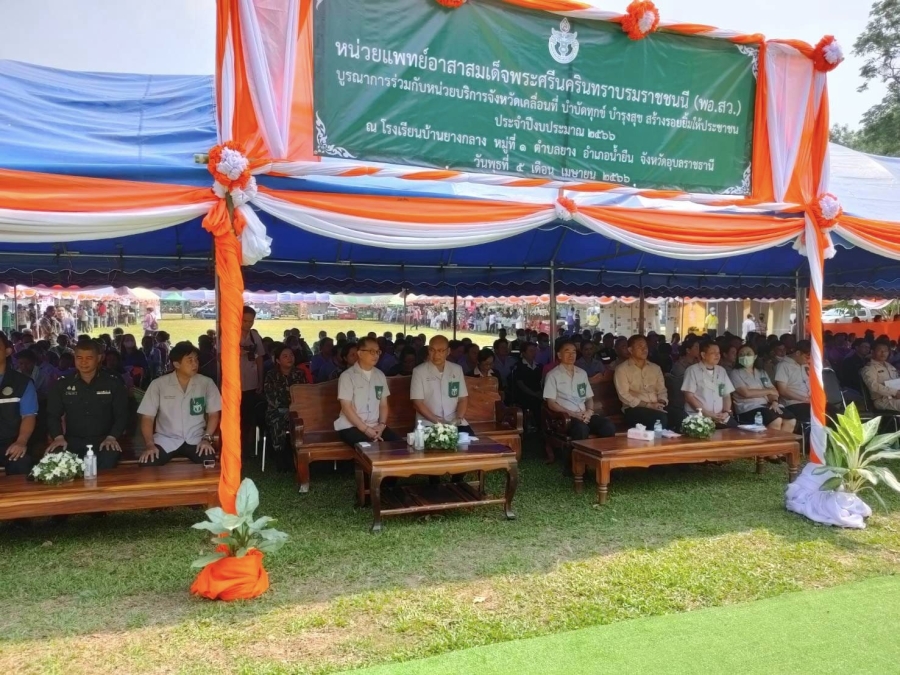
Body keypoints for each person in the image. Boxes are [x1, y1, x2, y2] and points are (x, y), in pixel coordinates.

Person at [46, 339, 128, 470]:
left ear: (99, 358)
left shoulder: (113, 383)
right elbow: (52, 414)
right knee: (56, 461)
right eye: (79, 358)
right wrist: (58, 437)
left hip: (104, 440)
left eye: (89, 358)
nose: (83, 362)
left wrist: (112, 437)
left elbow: (122, 415)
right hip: (72, 440)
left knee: (108, 458)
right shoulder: (63, 384)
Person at [137, 342, 221, 466]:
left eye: (196, 360)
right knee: (147, 462)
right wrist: (150, 445)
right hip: (166, 439)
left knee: (209, 462)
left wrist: (206, 439)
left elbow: (214, 414)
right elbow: (147, 417)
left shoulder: (206, 383)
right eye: (190, 360)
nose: (195, 364)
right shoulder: (158, 384)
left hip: (196, 439)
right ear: (176, 364)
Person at [544, 339, 616, 441]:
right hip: (566, 417)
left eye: (574, 352)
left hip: (584, 414)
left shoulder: (582, 373)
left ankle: (603, 455)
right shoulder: (552, 375)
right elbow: (551, 403)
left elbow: (589, 398)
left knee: (607, 425)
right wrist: (573, 414)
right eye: (567, 352)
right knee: (581, 429)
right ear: (559, 355)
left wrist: (589, 412)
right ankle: (578, 456)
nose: (571, 355)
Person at [334, 336, 400, 446]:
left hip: (375, 426)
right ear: (360, 353)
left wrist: (382, 425)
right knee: (369, 448)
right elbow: (346, 407)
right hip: (351, 426)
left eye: (378, 352)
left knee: (399, 445)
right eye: (371, 351)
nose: (376, 355)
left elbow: (383, 404)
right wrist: (365, 429)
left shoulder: (380, 375)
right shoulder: (347, 376)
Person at [410, 335, 472, 432]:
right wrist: (439, 422)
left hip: (454, 421)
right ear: (428, 350)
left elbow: (463, 399)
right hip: (428, 422)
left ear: (448, 351)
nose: (436, 355)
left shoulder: (457, 369)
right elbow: (417, 403)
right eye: (432, 350)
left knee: (470, 443)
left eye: (441, 351)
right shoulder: (419, 371)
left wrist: (458, 418)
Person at [263, 344, 308, 472]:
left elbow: (305, 393)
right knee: (278, 421)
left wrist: (295, 407)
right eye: (285, 356)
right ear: (277, 360)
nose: (289, 358)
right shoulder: (271, 375)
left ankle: (302, 455)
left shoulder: (300, 374)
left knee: (305, 420)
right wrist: (288, 408)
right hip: (277, 410)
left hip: (298, 409)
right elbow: (272, 398)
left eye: (291, 355)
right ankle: (280, 457)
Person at [730, 345, 796, 432]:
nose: (745, 356)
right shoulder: (735, 373)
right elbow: (746, 393)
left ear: (755, 356)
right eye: (741, 354)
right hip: (748, 408)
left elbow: (774, 392)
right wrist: (768, 391)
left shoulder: (761, 373)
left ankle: (782, 445)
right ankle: (771, 445)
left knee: (791, 420)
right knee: (776, 420)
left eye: (748, 354)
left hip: (766, 405)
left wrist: (774, 401)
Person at [0, 333, 38, 475]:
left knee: (21, 461)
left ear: (8, 351)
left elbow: (28, 415)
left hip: (11, 443)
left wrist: (21, 441)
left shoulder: (22, 382)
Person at [613, 335, 668, 429]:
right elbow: (624, 395)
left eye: (646, 346)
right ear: (630, 350)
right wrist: (648, 405)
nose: (644, 349)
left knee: (680, 416)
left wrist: (661, 402)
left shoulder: (655, 368)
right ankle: (657, 443)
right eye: (640, 347)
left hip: (657, 405)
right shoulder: (622, 370)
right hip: (634, 409)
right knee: (659, 419)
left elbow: (662, 389)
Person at [681, 341, 737, 428]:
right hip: (699, 416)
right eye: (713, 353)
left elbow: (726, 395)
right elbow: (689, 397)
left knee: (736, 432)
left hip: (720, 417)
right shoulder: (692, 370)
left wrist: (726, 412)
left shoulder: (721, 370)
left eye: (718, 353)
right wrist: (707, 413)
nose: (717, 355)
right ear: (703, 355)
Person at [239, 307, 265, 453]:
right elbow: (219, 357)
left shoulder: (254, 336)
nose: (248, 324)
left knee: (249, 417)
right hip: (233, 385)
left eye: (251, 321)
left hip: (251, 383)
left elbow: (260, 359)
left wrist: (260, 381)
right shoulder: (230, 334)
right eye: (245, 320)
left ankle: (247, 448)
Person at [775, 341, 812, 425]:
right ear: (798, 353)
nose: (808, 360)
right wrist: (804, 399)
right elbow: (782, 391)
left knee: (836, 414)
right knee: (822, 418)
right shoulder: (783, 366)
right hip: (794, 403)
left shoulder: (805, 365)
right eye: (806, 357)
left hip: (810, 401)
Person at [511, 342, 543, 432]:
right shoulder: (518, 366)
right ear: (523, 353)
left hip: (538, 394)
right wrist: (534, 394)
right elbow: (521, 385)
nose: (533, 353)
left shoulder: (539, 366)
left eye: (534, 351)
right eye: (531, 351)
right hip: (524, 395)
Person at [861, 342, 900, 412]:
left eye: (886, 350)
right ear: (872, 352)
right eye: (880, 350)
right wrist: (894, 392)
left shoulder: (890, 367)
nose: (883, 353)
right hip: (882, 400)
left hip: (896, 397)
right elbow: (873, 386)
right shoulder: (869, 368)